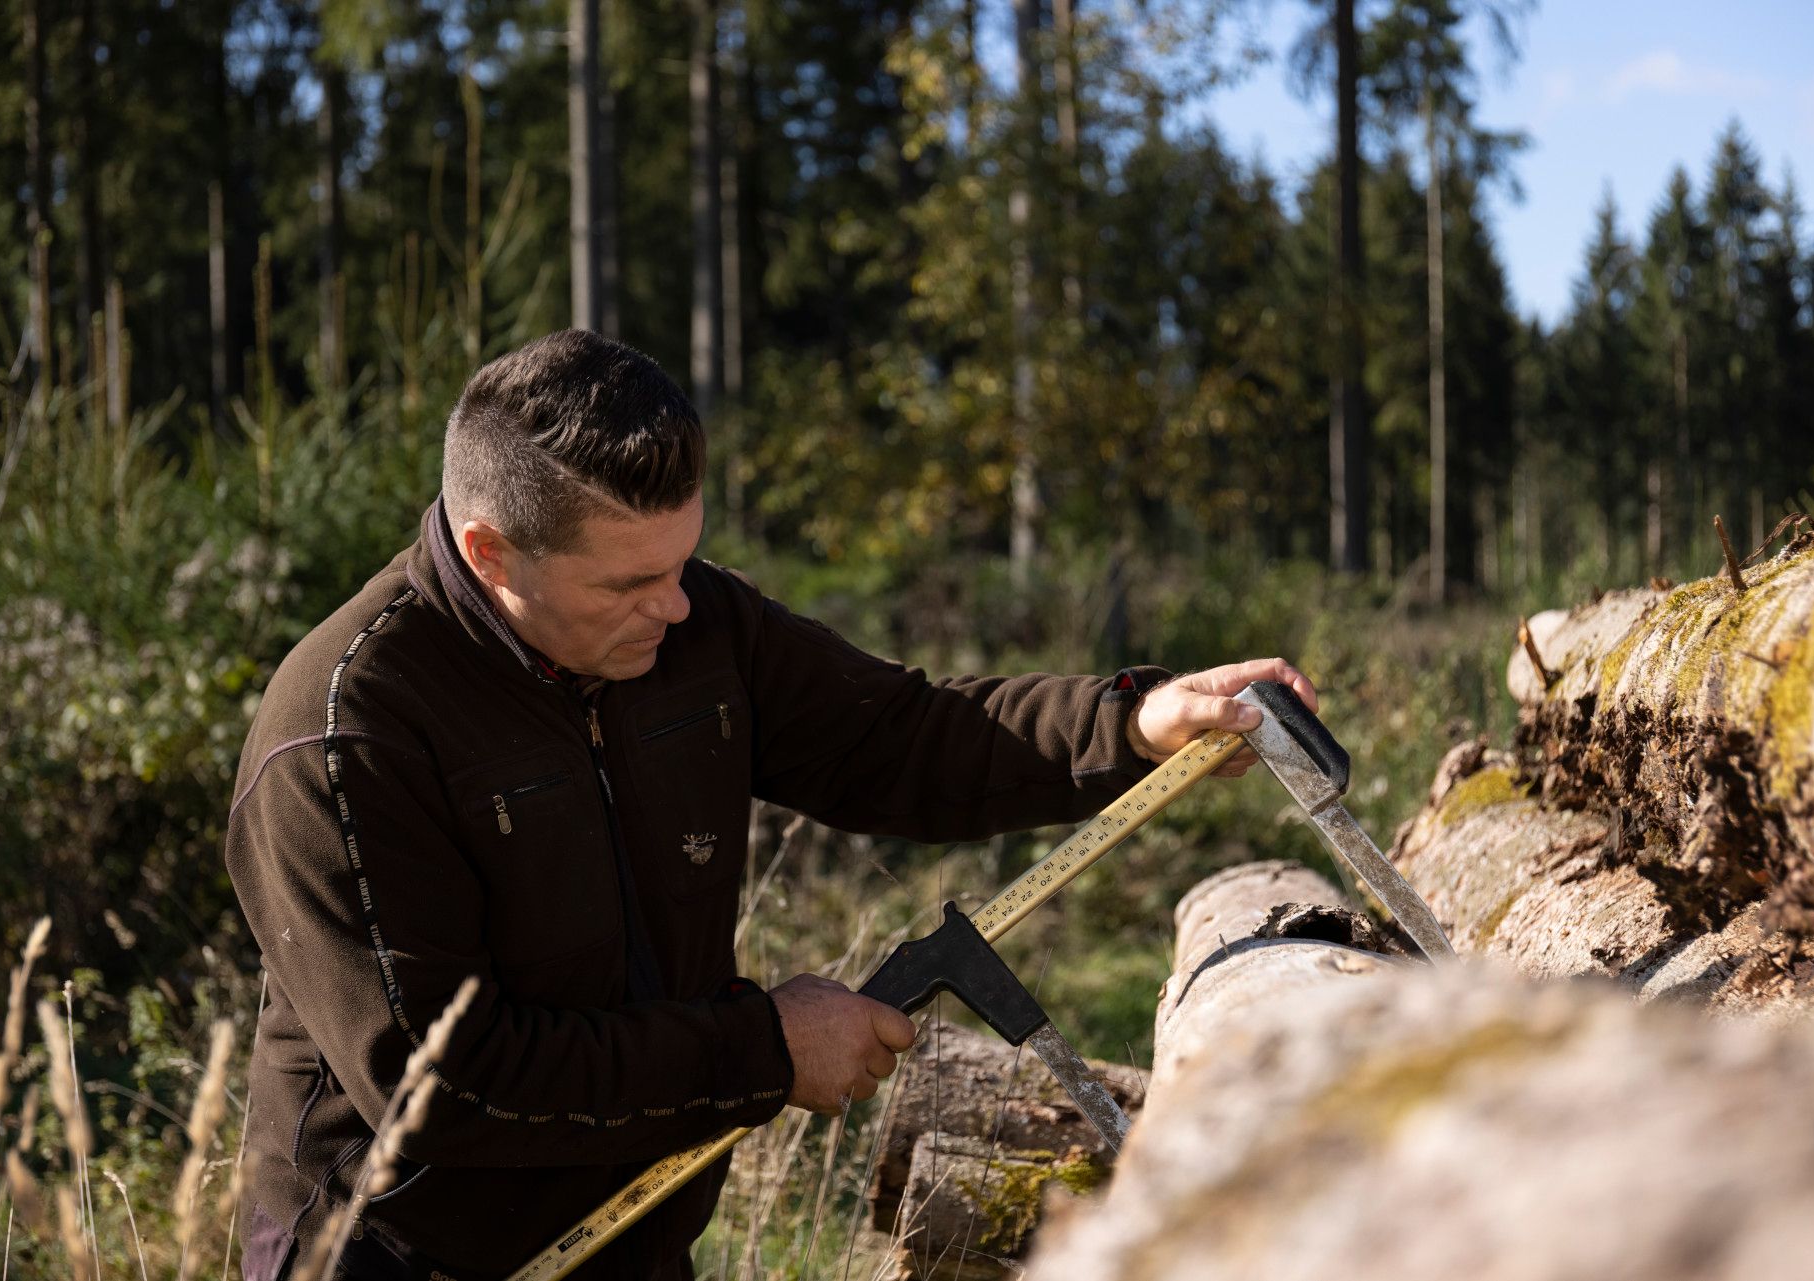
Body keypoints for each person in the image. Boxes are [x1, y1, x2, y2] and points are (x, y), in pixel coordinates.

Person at [225, 329, 1316, 1281]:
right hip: (397, 1260)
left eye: (685, 559)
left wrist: (1132, 722)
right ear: (490, 553)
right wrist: (761, 1050)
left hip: (638, 1238)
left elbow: (899, 738)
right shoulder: (345, 732)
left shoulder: (697, 628)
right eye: (626, 585)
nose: (675, 606)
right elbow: (445, 1087)